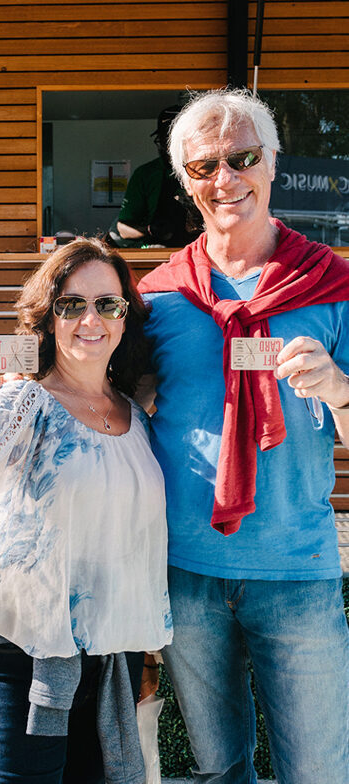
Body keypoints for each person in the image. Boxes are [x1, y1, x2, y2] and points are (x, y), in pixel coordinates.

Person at [136, 89, 349, 783]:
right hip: (189, 572)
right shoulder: (157, 296)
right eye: (203, 167)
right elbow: (115, 413)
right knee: (220, 771)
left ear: (273, 162)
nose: (224, 179)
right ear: (185, 182)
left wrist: (340, 390)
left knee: (317, 772)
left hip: (298, 572)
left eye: (242, 157)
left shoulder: (334, 286)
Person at [0, 237, 172, 784]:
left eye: (108, 304)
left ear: (124, 319)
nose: (90, 319)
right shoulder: (20, 400)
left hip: (107, 666)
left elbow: (135, 543)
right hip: (15, 660)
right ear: (49, 317)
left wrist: (147, 656)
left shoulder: (137, 417)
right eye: (71, 304)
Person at [107, 105, 202, 249]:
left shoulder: (204, 169)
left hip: (199, 250)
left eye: (174, 142)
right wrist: (151, 230)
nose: (169, 149)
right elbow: (123, 229)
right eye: (165, 141)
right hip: (156, 253)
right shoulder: (146, 174)